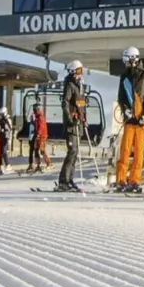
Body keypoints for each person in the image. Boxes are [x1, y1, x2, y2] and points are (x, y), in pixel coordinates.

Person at [114, 46, 144, 193]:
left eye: (127, 61)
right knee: (125, 151)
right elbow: (121, 97)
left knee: (139, 152)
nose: (126, 64)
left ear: (133, 59)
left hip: (141, 120)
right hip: (129, 121)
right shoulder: (124, 76)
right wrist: (126, 110)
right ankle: (120, 180)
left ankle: (135, 181)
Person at [56, 60, 86, 191]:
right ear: (73, 72)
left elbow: (80, 104)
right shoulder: (69, 85)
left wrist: (84, 118)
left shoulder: (79, 85)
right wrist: (70, 119)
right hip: (71, 125)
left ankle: (70, 179)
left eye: (81, 71)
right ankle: (63, 180)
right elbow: (65, 103)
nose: (80, 74)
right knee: (71, 152)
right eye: (78, 71)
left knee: (75, 153)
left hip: (78, 124)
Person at [25, 100, 50, 174]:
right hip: (37, 137)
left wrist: (38, 134)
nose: (34, 111)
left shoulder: (40, 117)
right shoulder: (36, 117)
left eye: (35, 110)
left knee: (42, 151)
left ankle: (48, 163)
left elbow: (41, 127)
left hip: (41, 137)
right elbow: (34, 127)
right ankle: (38, 164)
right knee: (36, 151)